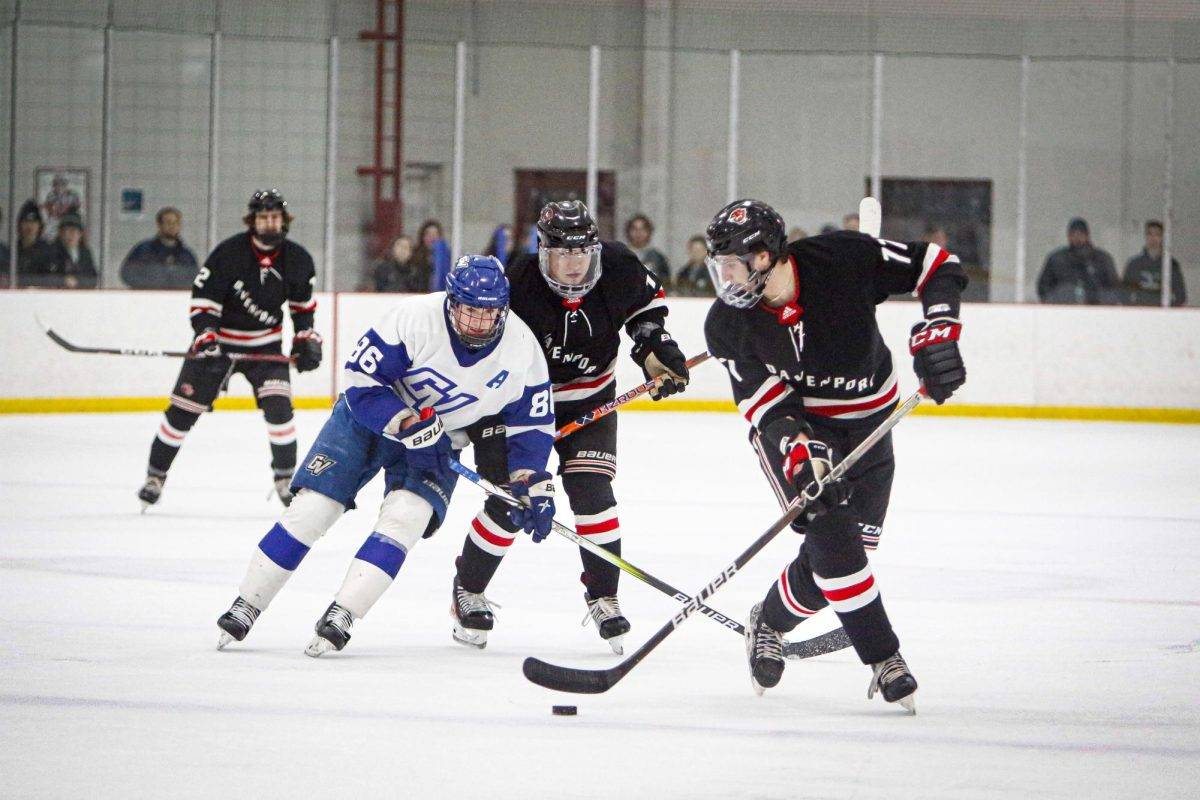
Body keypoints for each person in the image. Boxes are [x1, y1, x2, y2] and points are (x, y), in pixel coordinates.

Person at [214, 255, 557, 656]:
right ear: (451, 302)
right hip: (366, 421)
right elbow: (362, 382)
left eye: (489, 314)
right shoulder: (414, 318)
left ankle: (344, 612)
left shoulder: (523, 350)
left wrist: (529, 482)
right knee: (313, 509)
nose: (479, 323)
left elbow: (531, 427)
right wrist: (406, 423)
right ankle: (248, 602)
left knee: (406, 519)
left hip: (440, 443)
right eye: (469, 311)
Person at [703, 199, 968, 712]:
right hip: (799, 429)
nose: (725, 278)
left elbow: (938, 265)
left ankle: (770, 620)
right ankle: (885, 658)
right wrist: (801, 454)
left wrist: (939, 329)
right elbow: (768, 411)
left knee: (842, 569)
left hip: (871, 425)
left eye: (732, 264)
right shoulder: (728, 325)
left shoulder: (843, 259)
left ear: (763, 258)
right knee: (834, 540)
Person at [452, 200, 691, 654]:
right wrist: (479, 423)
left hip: (591, 400)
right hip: (523, 408)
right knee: (511, 500)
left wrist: (655, 352)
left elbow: (645, 318)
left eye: (580, 254)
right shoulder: (518, 278)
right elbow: (484, 350)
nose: (572, 265)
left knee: (593, 495)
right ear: (543, 250)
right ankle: (467, 590)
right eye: (561, 254)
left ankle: (604, 597)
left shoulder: (619, 265)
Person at [135, 190, 323, 510]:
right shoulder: (228, 253)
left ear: (284, 220)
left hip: (265, 348)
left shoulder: (298, 259)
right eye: (263, 218)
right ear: (253, 221)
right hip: (219, 346)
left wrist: (306, 339)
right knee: (181, 412)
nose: (269, 223)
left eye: (274, 217)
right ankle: (155, 477)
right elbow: (204, 301)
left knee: (281, 412)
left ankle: (284, 478)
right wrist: (205, 335)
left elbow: (302, 309)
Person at [1036, 218, 1120, 304]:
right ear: (1068, 236)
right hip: (1064, 310)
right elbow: (1044, 288)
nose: (1077, 238)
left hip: (1096, 311)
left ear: (1087, 235)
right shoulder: (1057, 259)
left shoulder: (1102, 259)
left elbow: (1114, 288)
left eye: (1080, 234)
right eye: (1073, 234)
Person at [120, 207, 199, 289]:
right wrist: (147, 287)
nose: (172, 226)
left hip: (176, 300)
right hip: (147, 299)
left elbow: (195, 280)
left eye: (176, 223)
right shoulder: (144, 250)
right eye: (168, 222)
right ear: (159, 225)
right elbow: (127, 274)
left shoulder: (187, 255)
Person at [1123, 220, 1186, 307]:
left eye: (1157, 234)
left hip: (1164, 315)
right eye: (1150, 234)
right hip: (1139, 314)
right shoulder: (1134, 264)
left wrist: (1169, 311)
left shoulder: (1171, 265)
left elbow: (1181, 296)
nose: (1153, 238)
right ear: (1145, 236)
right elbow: (1124, 294)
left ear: (1163, 238)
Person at [46, 213, 97, 289]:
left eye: (72, 231)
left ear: (80, 234)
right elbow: (46, 277)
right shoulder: (52, 252)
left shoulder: (85, 253)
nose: (68, 235)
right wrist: (63, 280)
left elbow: (93, 278)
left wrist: (78, 282)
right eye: (64, 231)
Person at [13, 200, 54, 284]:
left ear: (40, 225)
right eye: (25, 221)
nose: (29, 226)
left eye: (33, 222)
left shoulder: (48, 251)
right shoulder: (12, 251)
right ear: (19, 225)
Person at [625, 213, 671, 285]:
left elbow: (665, 283)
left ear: (649, 232)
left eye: (642, 229)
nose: (638, 233)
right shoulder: (620, 255)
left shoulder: (658, 258)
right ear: (628, 232)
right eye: (634, 229)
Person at [412, 219, 452, 292]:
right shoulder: (414, 257)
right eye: (428, 234)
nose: (432, 238)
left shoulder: (447, 258)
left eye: (435, 234)